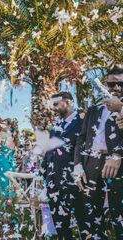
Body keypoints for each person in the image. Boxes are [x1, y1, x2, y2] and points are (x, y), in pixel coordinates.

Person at [74, 67, 123, 239]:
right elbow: (81, 138)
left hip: (117, 165)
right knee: (91, 215)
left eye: (121, 84)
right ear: (105, 85)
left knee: (119, 214)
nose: (116, 88)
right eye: (112, 84)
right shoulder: (94, 110)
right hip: (90, 164)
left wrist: (118, 155)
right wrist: (78, 165)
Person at [41, 92, 85, 239]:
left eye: (56, 104)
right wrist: (45, 176)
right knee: (61, 229)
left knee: (84, 225)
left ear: (68, 102)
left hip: (76, 183)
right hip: (55, 185)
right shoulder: (56, 127)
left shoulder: (83, 121)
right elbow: (49, 153)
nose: (53, 108)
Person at [0, 118, 18, 196]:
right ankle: (10, 202)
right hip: (10, 163)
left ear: (9, 126)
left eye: (4, 123)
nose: (1, 125)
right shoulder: (13, 137)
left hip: (0, 161)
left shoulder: (2, 134)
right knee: (8, 182)